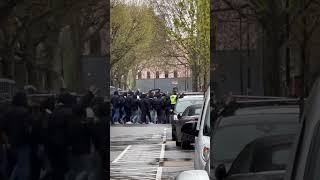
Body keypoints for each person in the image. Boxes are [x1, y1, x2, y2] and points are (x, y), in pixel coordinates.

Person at [1, 92, 33, 180]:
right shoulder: (25, 112)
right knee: (23, 167)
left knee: (10, 165)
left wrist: (7, 143)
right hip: (23, 143)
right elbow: (29, 129)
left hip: (10, 144)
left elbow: (3, 129)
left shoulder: (7, 112)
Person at [47, 92, 74, 180]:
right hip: (63, 144)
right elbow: (70, 129)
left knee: (56, 168)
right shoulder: (69, 112)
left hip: (52, 144)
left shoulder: (54, 113)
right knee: (65, 168)